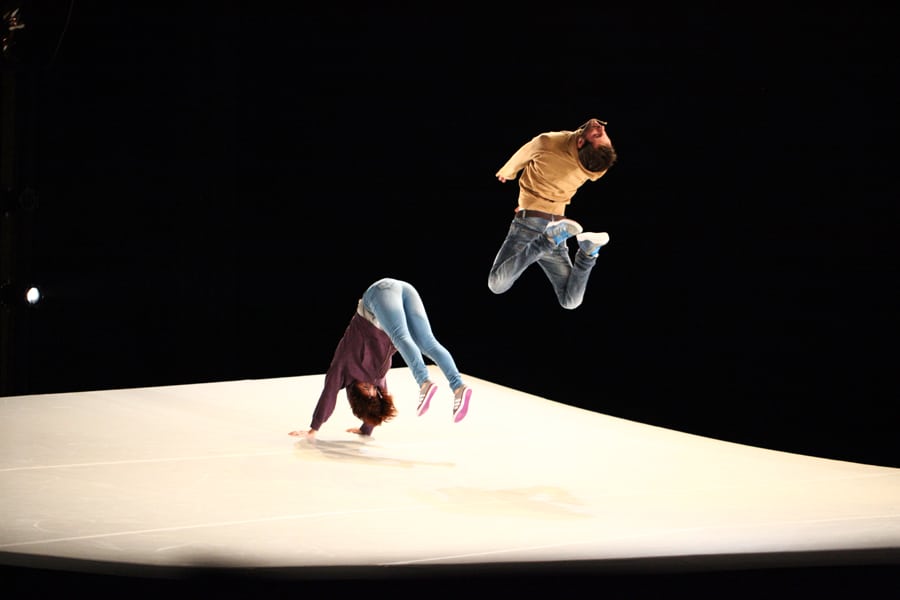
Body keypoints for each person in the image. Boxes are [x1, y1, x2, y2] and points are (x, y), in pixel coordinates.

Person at [289, 278, 472, 440]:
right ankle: (458, 387)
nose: (371, 385)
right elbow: (374, 409)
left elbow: (328, 396)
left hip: (379, 295)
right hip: (405, 292)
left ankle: (424, 382)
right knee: (428, 344)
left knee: (400, 337)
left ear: (353, 393)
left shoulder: (342, 369)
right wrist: (366, 429)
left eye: (365, 388)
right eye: (374, 391)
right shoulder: (377, 381)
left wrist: (314, 429)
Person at [487, 118, 618, 309]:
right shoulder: (595, 169)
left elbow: (522, 155)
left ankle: (545, 241)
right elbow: (583, 149)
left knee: (496, 284)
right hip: (558, 226)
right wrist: (588, 131)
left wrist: (507, 172)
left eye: (598, 134)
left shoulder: (548, 142)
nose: (602, 128)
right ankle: (588, 253)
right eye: (603, 135)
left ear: (581, 142)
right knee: (570, 302)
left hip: (530, 224)